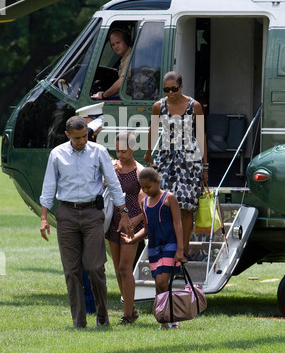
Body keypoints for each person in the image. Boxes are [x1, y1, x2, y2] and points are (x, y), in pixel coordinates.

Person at [40, 116, 131, 329]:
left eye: (85, 137)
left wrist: (123, 212)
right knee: (71, 271)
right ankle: (79, 321)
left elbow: (115, 184)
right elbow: (48, 187)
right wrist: (44, 218)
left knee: (94, 267)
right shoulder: (57, 154)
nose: (82, 141)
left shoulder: (98, 152)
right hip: (66, 213)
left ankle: (102, 316)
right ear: (67, 135)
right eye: (77, 138)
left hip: (92, 213)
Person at [144, 71, 208, 256]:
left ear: (181, 87)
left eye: (174, 89)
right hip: (166, 158)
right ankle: (168, 247)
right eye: (166, 89)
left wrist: (205, 166)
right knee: (164, 203)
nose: (170, 92)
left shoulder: (194, 106)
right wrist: (148, 153)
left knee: (186, 206)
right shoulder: (159, 106)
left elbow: (201, 134)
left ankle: (183, 250)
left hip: (190, 160)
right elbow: (153, 130)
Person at [121, 167, 186, 329]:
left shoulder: (169, 198)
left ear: (158, 182)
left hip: (170, 245)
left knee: (163, 281)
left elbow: (178, 223)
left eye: (148, 187)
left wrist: (180, 249)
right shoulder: (144, 203)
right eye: (142, 188)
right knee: (159, 284)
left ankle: (173, 318)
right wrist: (134, 237)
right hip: (154, 248)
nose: (145, 190)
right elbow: (147, 227)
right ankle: (164, 321)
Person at [105, 132, 145, 325]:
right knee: (117, 268)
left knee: (124, 267)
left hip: (131, 222)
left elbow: (145, 203)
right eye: (118, 151)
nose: (120, 155)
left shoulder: (139, 171)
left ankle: (127, 315)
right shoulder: (112, 167)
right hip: (113, 219)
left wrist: (135, 221)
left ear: (133, 148)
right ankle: (131, 308)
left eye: (124, 151)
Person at [92, 29, 132, 100]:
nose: (116, 46)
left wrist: (104, 95)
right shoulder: (124, 58)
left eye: (118, 42)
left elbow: (122, 83)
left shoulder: (131, 57)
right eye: (113, 45)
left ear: (126, 41)